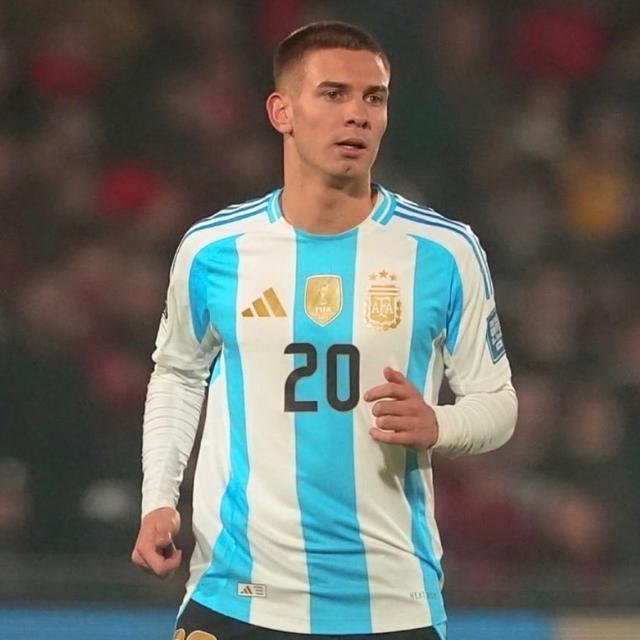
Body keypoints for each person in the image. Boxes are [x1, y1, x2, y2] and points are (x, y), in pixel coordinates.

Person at [131, 21, 517, 640]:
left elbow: (497, 401)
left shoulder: (445, 251)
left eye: (374, 97)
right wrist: (158, 498)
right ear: (281, 112)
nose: (358, 114)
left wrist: (440, 424)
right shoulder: (214, 249)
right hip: (237, 593)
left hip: (391, 602)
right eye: (334, 94)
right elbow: (178, 373)